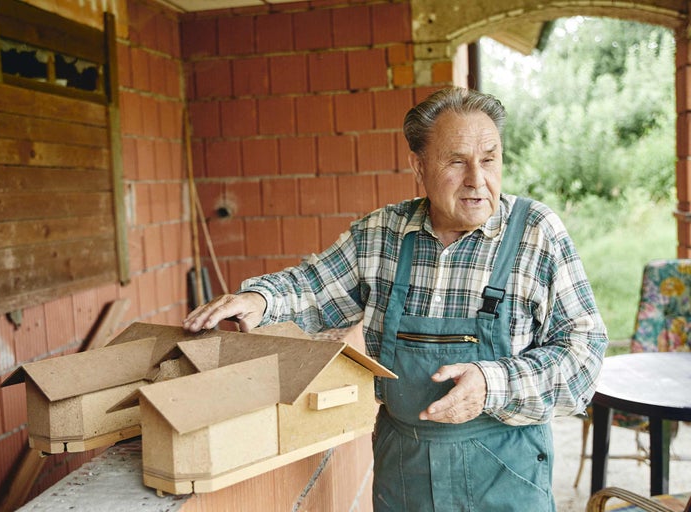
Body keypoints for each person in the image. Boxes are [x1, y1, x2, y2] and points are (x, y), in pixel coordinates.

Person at [183, 87, 608, 511]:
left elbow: (585, 354)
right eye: (457, 161)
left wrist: (492, 384)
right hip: (405, 474)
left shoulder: (536, 233)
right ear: (419, 167)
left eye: (489, 159)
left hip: (503, 475)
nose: (477, 180)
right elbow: (313, 286)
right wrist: (260, 299)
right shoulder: (382, 234)